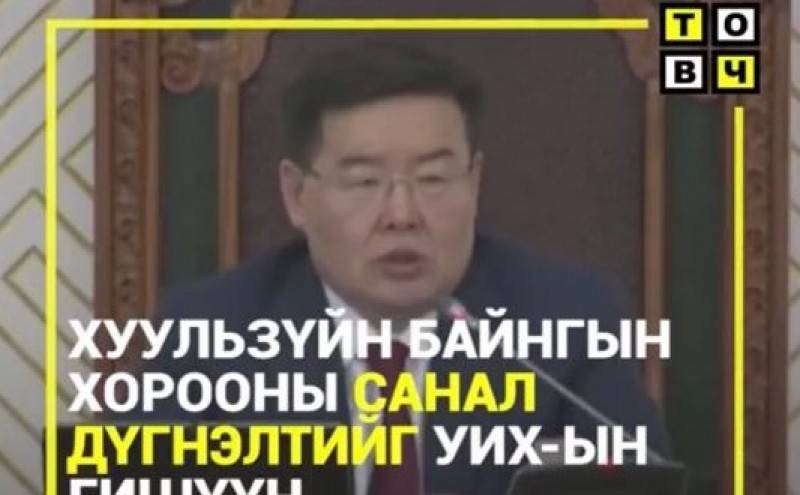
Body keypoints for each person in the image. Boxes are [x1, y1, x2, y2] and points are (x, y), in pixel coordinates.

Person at [146, 41, 670, 495]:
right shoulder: (209, 333)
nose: (402, 215)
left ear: (474, 183)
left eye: (434, 179)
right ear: (297, 195)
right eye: (365, 182)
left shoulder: (570, 322)